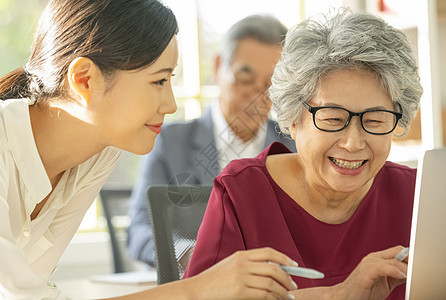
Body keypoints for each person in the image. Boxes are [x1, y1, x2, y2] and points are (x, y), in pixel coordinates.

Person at [0, 0, 299, 299]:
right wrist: (201, 286)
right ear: (84, 79)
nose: (171, 104)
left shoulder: (97, 154)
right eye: (159, 80)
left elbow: (35, 291)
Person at [184, 9, 423, 300]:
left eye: (375, 121)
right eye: (333, 118)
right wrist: (340, 294)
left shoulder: (419, 196)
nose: (352, 143)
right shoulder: (242, 193)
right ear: (293, 119)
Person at [127, 14, 296, 266]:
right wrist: (190, 254)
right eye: (245, 77)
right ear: (218, 67)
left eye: (270, 85)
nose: (257, 97)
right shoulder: (171, 143)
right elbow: (141, 230)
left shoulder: (294, 147)